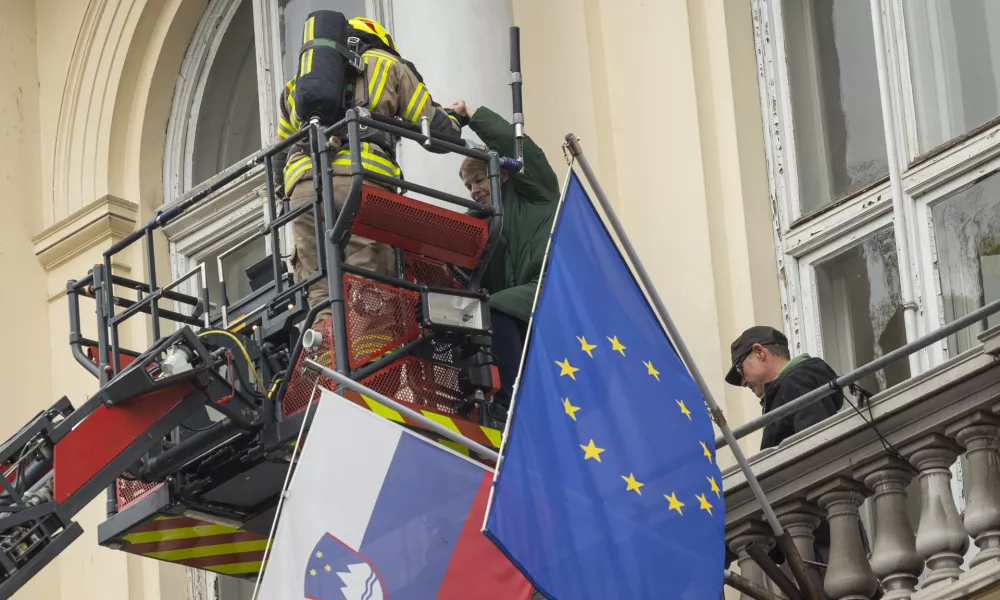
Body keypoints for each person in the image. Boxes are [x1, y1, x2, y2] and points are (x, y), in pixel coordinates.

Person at [274, 16, 462, 319]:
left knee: (320, 289)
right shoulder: (388, 65)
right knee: (369, 284)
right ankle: (371, 357)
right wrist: (457, 119)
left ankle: (328, 358)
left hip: (304, 192)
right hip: (362, 185)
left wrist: (290, 195)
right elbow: (439, 134)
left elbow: (280, 159)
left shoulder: (298, 82)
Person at [449, 101, 559, 422]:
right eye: (469, 186)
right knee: (463, 317)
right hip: (521, 312)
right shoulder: (481, 223)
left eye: (480, 180)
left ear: (503, 175)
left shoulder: (536, 193)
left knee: (492, 306)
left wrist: (473, 118)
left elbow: (522, 154)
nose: (474, 191)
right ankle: (477, 397)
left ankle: (507, 396)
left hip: (549, 289)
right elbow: (445, 237)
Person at [725, 325, 844, 450]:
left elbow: (816, 448)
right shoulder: (787, 388)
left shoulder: (795, 383)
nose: (743, 382)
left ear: (759, 352)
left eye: (740, 371)